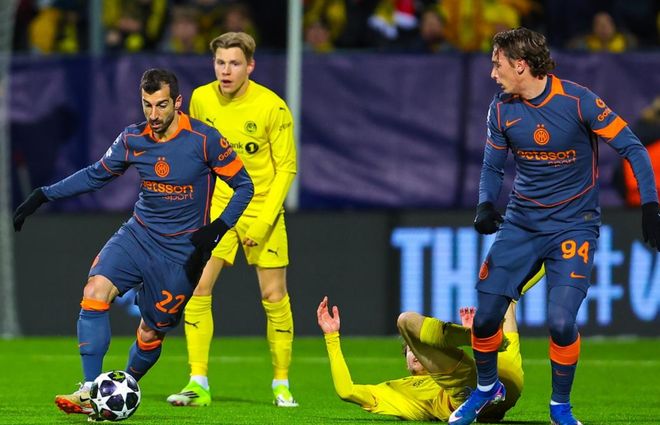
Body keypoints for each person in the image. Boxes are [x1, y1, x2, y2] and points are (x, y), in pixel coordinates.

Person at [12, 68, 254, 420]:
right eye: (146, 105)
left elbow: (245, 186)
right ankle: (90, 390)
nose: (153, 114)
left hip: (181, 253)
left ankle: (120, 390)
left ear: (178, 102)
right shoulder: (133, 138)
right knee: (95, 291)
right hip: (138, 235)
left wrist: (217, 229)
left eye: (161, 105)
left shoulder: (205, 140)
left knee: (151, 332)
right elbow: (96, 174)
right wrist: (43, 195)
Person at [449, 27, 660, 425]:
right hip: (521, 225)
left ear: (520, 65)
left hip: (573, 227)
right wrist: (484, 205)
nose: (492, 73)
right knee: (485, 317)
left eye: (497, 64)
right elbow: (492, 166)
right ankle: (487, 388)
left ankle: (560, 407)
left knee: (561, 322)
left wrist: (650, 206)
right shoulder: (501, 109)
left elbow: (633, 148)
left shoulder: (578, 101)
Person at [166, 31, 298, 408]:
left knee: (273, 295)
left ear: (250, 66)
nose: (226, 71)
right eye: (220, 63)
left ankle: (282, 383)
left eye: (234, 63)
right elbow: (195, 152)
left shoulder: (273, 108)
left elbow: (287, 168)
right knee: (197, 287)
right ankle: (198, 382)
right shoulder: (201, 98)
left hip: (261, 207)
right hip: (219, 206)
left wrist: (263, 221)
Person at [316, 296, 524, 422]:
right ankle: (478, 339)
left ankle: (477, 340)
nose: (414, 353)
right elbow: (346, 391)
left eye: (415, 347)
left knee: (507, 297)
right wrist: (331, 337)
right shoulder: (397, 391)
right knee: (405, 321)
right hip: (470, 399)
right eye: (410, 349)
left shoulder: (450, 366)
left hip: (504, 382)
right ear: (405, 361)